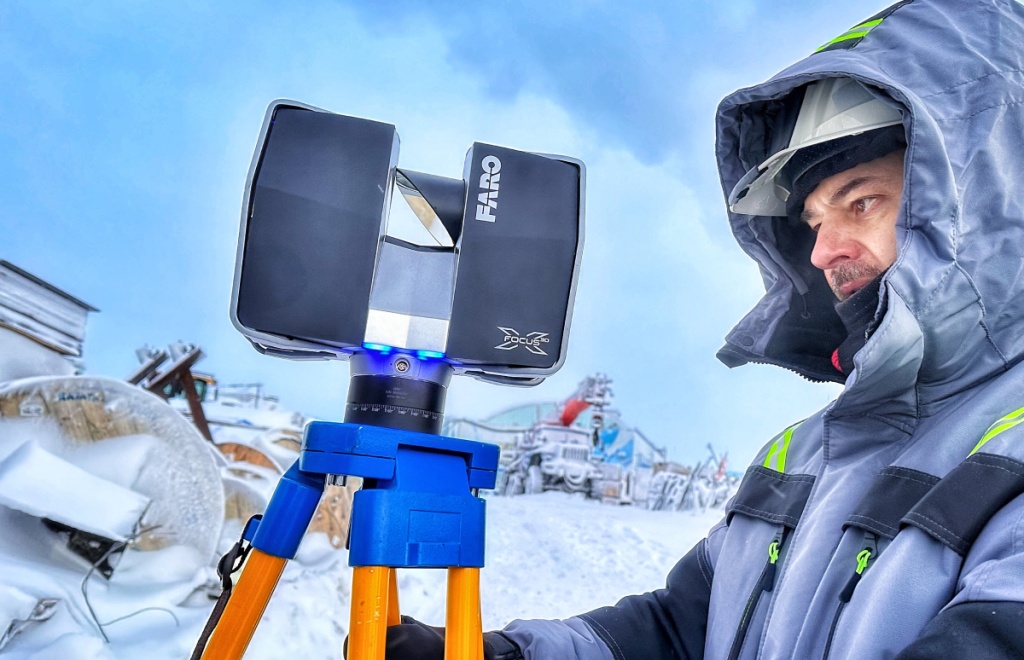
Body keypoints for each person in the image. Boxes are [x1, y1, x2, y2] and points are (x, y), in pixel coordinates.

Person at [381, 1, 1024, 657]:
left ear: (987, 198)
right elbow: (678, 630)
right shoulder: (804, 455)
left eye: (861, 202)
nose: (823, 251)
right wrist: (508, 654)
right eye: (812, 222)